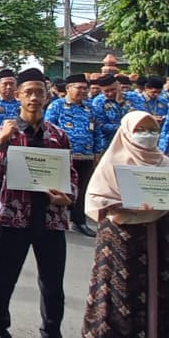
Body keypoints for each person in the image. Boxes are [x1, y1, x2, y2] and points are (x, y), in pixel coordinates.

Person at [81, 111, 169, 338]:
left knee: (157, 286)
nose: (147, 135)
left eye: (152, 129)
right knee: (121, 288)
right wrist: (120, 207)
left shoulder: (165, 162)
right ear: (127, 132)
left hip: (157, 232)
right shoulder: (113, 161)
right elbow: (97, 196)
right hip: (122, 235)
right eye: (141, 130)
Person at [0, 69, 79, 338]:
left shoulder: (58, 135)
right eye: (29, 92)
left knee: (52, 285)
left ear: (47, 95)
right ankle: (1, 337)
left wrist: (69, 196)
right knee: (4, 281)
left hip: (50, 221)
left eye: (40, 91)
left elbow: (71, 175)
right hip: (14, 217)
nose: (35, 97)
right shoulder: (7, 131)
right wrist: (1, 143)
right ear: (18, 95)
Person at [44, 73, 101, 237]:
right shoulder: (57, 106)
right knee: (59, 189)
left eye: (85, 88)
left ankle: (79, 221)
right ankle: (56, 218)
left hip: (86, 156)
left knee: (82, 190)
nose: (83, 91)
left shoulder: (90, 108)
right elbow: (49, 130)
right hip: (63, 156)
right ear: (68, 89)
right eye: (79, 88)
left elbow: (96, 132)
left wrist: (97, 151)